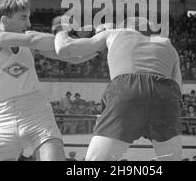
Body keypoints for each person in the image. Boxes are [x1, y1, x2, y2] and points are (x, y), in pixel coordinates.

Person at [0, 0, 97, 161]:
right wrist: (65, 35)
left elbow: (72, 56)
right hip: (2, 119)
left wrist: (99, 42)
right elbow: (32, 39)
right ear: (5, 20)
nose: (29, 23)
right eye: (23, 18)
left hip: (37, 113)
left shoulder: (31, 39)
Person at [54, 16, 182, 161]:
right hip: (166, 96)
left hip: (128, 90)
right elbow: (178, 87)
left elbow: (64, 49)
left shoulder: (116, 33)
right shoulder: (167, 44)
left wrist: (59, 28)